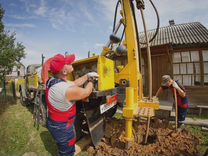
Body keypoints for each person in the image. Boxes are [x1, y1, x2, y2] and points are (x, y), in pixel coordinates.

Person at [46, 54, 98, 156]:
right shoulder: (65, 90)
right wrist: (92, 81)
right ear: (64, 71)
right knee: (67, 151)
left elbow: (74, 83)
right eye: (68, 63)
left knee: (64, 147)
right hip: (62, 128)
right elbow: (86, 92)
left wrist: (87, 76)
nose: (71, 63)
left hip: (56, 123)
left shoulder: (53, 80)